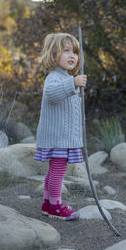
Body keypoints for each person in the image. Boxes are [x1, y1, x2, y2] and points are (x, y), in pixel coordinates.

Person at [34, 33, 87, 220]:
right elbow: (52, 94)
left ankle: (48, 203)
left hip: (62, 138)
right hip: (58, 138)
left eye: (75, 52)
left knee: (53, 170)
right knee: (58, 171)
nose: (72, 56)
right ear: (54, 53)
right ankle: (55, 206)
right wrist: (73, 82)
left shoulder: (63, 77)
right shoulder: (54, 78)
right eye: (66, 51)